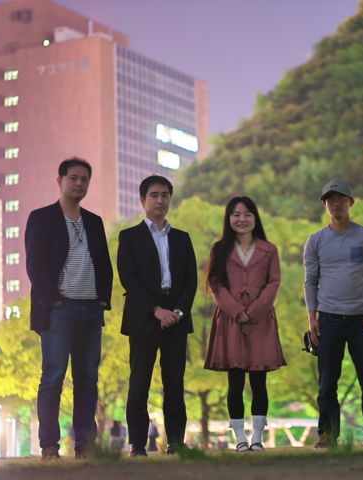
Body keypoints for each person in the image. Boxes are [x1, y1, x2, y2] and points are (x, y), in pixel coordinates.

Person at [25, 157, 113, 460]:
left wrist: (102, 301)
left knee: (87, 379)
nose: (79, 183)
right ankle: (49, 445)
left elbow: (104, 263)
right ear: (60, 180)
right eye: (73, 178)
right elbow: (35, 265)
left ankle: (85, 445)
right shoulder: (42, 218)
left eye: (84, 179)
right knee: (53, 376)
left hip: (91, 309)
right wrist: (53, 301)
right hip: (59, 309)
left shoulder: (94, 221)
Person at [303, 179, 363, 448]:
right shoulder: (316, 240)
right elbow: (310, 281)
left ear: (351, 202)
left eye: (341, 199)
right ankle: (328, 434)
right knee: (327, 383)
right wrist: (312, 318)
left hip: (362, 319)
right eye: (330, 200)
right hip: (328, 319)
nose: (336, 204)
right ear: (325, 204)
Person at [117, 175, 197, 456]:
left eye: (165, 195)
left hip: (176, 317)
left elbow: (191, 279)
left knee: (174, 382)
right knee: (140, 381)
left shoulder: (182, 238)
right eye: (154, 195)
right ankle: (138, 444)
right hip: (143, 316)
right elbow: (129, 278)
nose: (160, 200)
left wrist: (177, 311)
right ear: (143, 200)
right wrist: (156, 310)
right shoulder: (129, 237)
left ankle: (176, 441)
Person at [204, 196, 286, 452]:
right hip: (231, 322)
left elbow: (273, 282)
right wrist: (237, 311)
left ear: (255, 218)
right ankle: (239, 438)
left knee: (259, 381)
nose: (242, 219)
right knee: (235, 380)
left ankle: (257, 438)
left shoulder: (269, 250)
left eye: (247, 214)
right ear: (229, 218)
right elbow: (215, 283)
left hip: (261, 321)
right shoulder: (219, 249)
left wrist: (255, 310)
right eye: (236, 214)